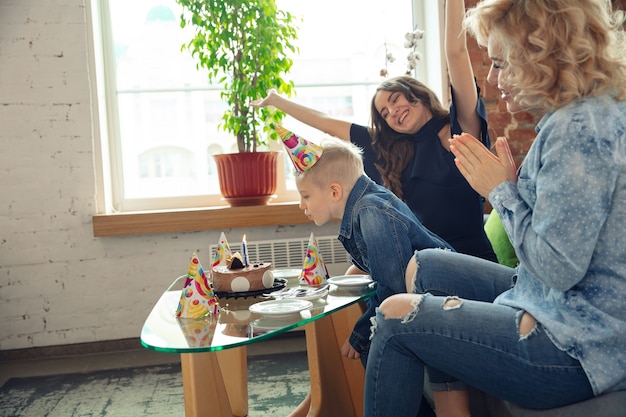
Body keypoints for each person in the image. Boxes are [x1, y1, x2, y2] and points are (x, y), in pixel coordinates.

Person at [363, 0, 626, 416]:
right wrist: (512, 189)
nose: (492, 77)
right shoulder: (574, 118)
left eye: (500, 63)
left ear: (541, 56)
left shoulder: (578, 130)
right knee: (428, 264)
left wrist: (500, 191)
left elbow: (558, 269)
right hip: (553, 302)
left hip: (577, 345)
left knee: (395, 318)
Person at [251, 0, 497, 263]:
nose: (392, 113)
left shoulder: (459, 128)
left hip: (471, 262)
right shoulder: (390, 149)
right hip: (419, 265)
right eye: (384, 114)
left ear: (415, 92)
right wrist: (277, 100)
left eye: (394, 100)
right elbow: (325, 122)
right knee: (354, 276)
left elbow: (456, 52)